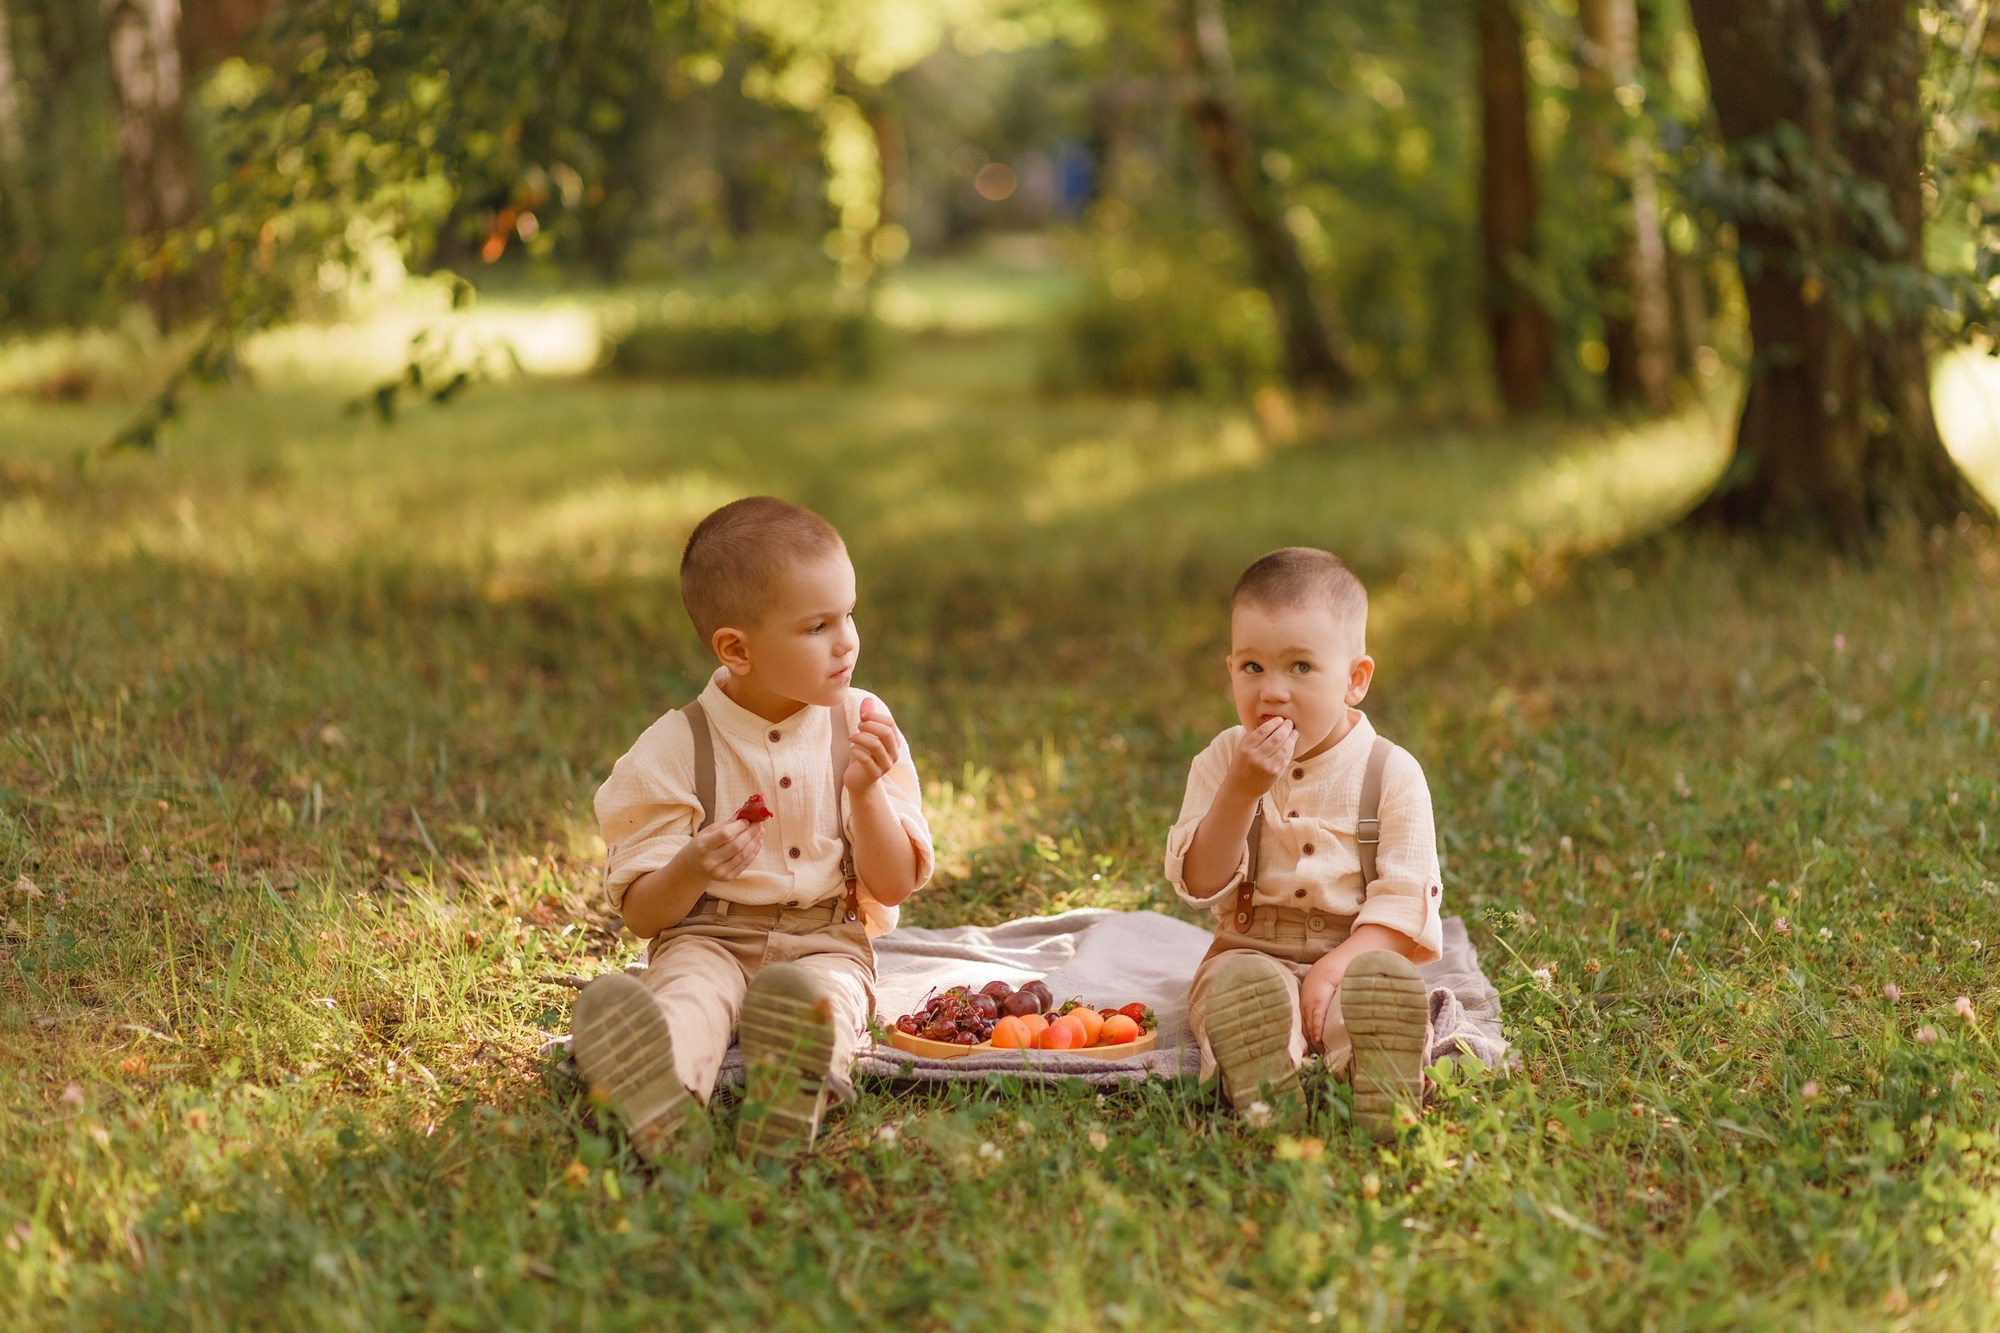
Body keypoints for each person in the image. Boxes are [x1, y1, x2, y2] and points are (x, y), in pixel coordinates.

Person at [570, 497, 931, 1162]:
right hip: (708, 934)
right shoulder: (675, 748)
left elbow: (894, 883)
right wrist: (691, 868)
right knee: (688, 996)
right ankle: (663, 1098)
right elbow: (644, 916)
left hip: (826, 939)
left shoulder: (862, 726)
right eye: (817, 625)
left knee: (825, 1002)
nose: (847, 641)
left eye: (848, 614)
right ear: (736, 648)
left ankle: (791, 1094)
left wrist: (865, 790)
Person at [1166, 547, 1442, 1138]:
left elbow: (1404, 903)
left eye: (1300, 667)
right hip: (1248, 949)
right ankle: (1263, 1074)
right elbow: (1199, 882)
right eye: (1253, 667)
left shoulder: (1390, 772)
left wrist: (1335, 967)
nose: (1271, 691)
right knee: (1234, 991)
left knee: (1366, 997)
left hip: (1356, 951)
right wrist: (1240, 791)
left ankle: (1379, 1070)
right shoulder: (1222, 761)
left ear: (1355, 680)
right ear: (1230, 668)